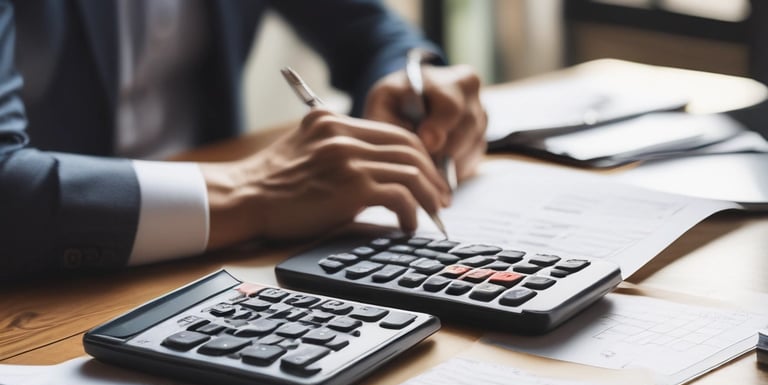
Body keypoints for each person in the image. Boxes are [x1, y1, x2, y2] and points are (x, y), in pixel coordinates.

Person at [0, 0, 487, 279]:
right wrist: (253, 189)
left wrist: (410, 79)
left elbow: (369, 30)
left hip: (222, 268)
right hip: (43, 293)